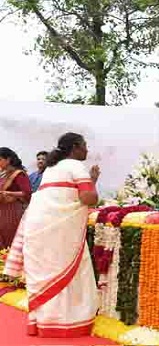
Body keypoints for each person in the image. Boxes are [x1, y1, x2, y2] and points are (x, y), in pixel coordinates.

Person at [3, 132, 101, 337]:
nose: (87, 150)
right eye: (85, 145)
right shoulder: (75, 166)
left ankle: (42, 324)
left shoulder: (51, 168)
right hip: (60, 231)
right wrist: (92, 181)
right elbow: (88, 198)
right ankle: (66, 323)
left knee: (46, 274)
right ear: (75, 147)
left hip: (38, 228)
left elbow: (63, 196)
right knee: (67, 273)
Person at [0, 147, 32, 249]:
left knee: (11, 239)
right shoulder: (3, 174)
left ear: (8, 160)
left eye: (0, 159)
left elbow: (27, 193)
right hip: (2, 211)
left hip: (12, 212)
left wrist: (8, 193)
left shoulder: (19, 174)